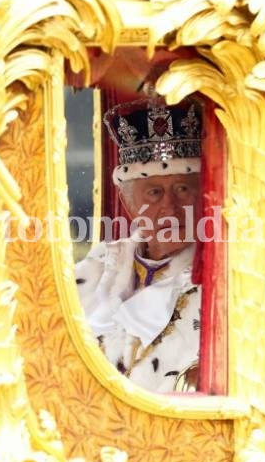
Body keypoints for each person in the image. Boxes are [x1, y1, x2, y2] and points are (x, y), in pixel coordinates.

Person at [75, 94, 204, 393]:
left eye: (183, 188)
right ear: (128, 202)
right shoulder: (92, 272)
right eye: (154, 192)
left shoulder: (229, 286)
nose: (170, 207)